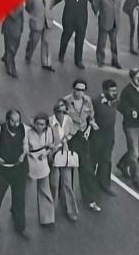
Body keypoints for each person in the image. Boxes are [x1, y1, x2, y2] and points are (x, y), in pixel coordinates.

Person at [63, 79, 101, 212]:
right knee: (69, 171)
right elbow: (62, 120)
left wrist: (90, 127)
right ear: (73, 89)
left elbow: (91, 116)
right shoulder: (66, 101)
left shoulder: (87, 101)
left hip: (84, 137)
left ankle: (89, 199)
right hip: (71, 138)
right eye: (78, 89)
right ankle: (67, 202)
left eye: (82, 90)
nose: (80, 92)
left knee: (86, 169)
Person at [0, 109, 30, 239]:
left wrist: (23, 154)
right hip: (2, 170)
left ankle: (21, 227)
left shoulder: (24, 128)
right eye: (12, 121)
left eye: (17, 121)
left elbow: (26, 145)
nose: (15, 124)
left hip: (18, 169)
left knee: (19, 199)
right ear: (7, 120)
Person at [53, 0, 94, 69]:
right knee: (65, 39)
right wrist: (48, 5)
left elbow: (93, 2)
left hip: (81, 21)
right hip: (68, 20)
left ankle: (78, 60)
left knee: (79, 41)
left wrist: (98, 12)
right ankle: (61, 55)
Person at [48, 99, 79, 221]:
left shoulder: (68, 120)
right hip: (53, 154)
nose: (60, 114)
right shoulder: (50, 121)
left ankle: (71, 210)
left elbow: (72, 132)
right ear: (54, 111)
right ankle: (51, 211)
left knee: (67, 183)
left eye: (63, 111)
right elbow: (46, 137)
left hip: (65, 154)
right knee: (53, 184)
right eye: (58, 111)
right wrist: (52, 146)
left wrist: (66, 139)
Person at [26, 113, 55, 225]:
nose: (40, 126)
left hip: (42, 162)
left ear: (46, 124)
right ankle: (18, 212)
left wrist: (46, 153)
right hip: (30, 162)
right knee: (25, 191)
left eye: (42, 124)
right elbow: (25, 147)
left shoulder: (48, 132)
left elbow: (50, 145)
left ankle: (47, 218)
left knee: (45, 190)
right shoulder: (28, 132)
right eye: (38, 124)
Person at [92, 79, 118, 195]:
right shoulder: (96, 102)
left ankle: (104, 183)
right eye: (112, 91)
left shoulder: (114, 101)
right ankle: (90, 184)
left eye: (115, 90)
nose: (115, 93)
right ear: (104, 90)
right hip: (97, 137)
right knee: (93, 161)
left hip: (109, 137)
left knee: (106, 161)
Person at [93, 0, 122, 69]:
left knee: (114, 44)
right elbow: (95, 5)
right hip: (104, 21)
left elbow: (118, 4)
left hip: (114, 22)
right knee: (102, 42)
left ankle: (115, 61)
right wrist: (98, 13)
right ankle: (100, 59)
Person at [24, 0, 54, 70]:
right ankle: (28, 55)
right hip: (36, 21)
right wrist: (34, 15)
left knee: (46, 42)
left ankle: (46, 63)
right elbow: (28, 7)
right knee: (34, 41)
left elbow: (51, 5)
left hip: (47, 21)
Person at [1, 6, 24, 78]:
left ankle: (7, 59)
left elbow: (21, 16)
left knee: (13, 47)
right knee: (10, 48)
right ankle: (10, 67)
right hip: (10, 27)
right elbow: (14, 15)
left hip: (16, 28)